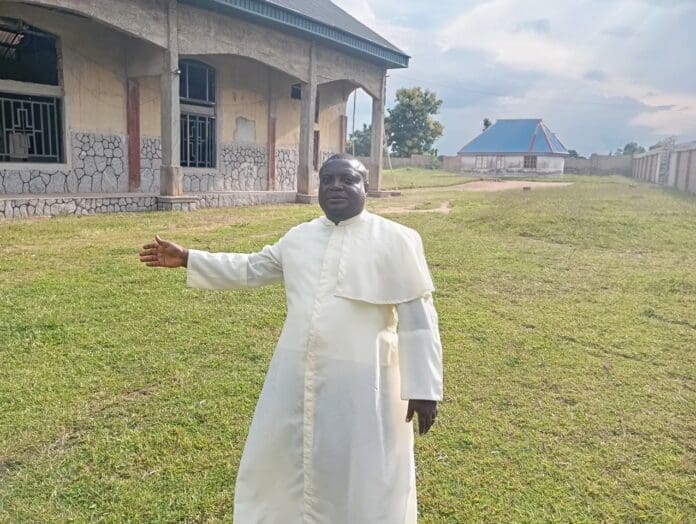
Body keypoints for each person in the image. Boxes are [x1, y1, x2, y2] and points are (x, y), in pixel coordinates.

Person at [139, 154, 443, 523]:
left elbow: (418, 317)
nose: (335, 186)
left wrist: (424, 388)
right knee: (293, 460)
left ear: (366, 186)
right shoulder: (299, 237)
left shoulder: (397, 239)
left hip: (366, 382)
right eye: (327, 179)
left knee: (363, 467)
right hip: (298, 372)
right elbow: (252, 268)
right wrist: (189, 258)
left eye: (347, 180)